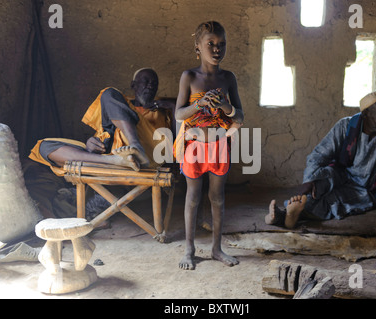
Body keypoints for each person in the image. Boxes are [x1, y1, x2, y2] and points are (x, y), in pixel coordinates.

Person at [265, 91, 376, 229]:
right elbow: (317, 157)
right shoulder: (345, 126)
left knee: (334, 202)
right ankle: (290, 211)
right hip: (339, 174)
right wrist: (309, 182)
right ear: (366, 114)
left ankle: (283, 216)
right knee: (317, 187)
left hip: (364, 187)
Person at [175, 21, 244, 270]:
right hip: (194, 145)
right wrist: (200, 104)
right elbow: (180, 114)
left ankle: (217, 249)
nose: (217, 49)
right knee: (192, 198)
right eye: (211, 44)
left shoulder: (228, 78)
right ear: (198, 46)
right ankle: (188, 250)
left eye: (221, 44)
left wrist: (225, 106)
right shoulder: (189, 77)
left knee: (217, 198)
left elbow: (239, 117)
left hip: (219, 145)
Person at [29, 68, 174, 175]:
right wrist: (92, 142)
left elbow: (177, 143)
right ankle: (115, 161)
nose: (150, 86)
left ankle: (136, 146)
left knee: (109, 93)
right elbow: (104, 133)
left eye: (154, 84)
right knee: (44, 147)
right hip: (112, 156)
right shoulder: (119, 104)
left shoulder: (162, 110)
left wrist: (174, 108)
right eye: (146, 82)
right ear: (133, 85)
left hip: (148, 154)